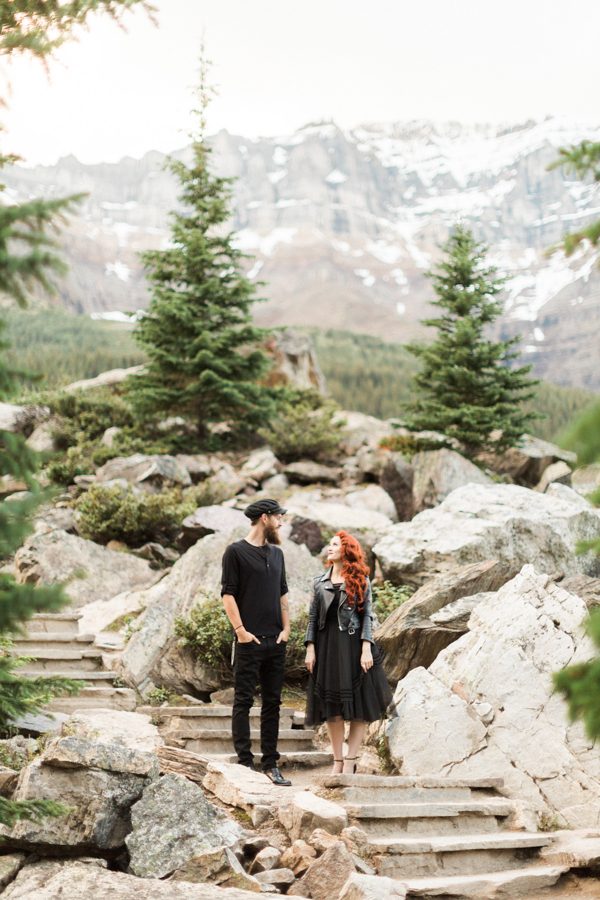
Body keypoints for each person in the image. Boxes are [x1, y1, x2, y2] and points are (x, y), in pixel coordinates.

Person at [304, 530, 392, 774]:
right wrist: (310, 647)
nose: (329, 548)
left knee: (359, 706)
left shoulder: (361, 581)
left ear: (346, 550)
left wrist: (366, 648)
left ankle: (351, 760)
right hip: (327, 647)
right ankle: (338, 761)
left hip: (353, 645)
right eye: (329, 544)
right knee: (332, 707)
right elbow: (313, 617)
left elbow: (367, 617)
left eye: (334, 544)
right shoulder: (319, 582)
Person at [221, 498, 292, 786]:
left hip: (276, 640)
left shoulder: (277, 555)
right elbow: (228, 595)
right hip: (249, 640)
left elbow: (283, 594)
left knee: (272, 703)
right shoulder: (235, 552)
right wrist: (240, 631)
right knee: (243, 701)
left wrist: (286, 629)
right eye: (279, 517)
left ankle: (271, 763)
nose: (281, 522)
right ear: (265, 518)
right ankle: (245, 763)